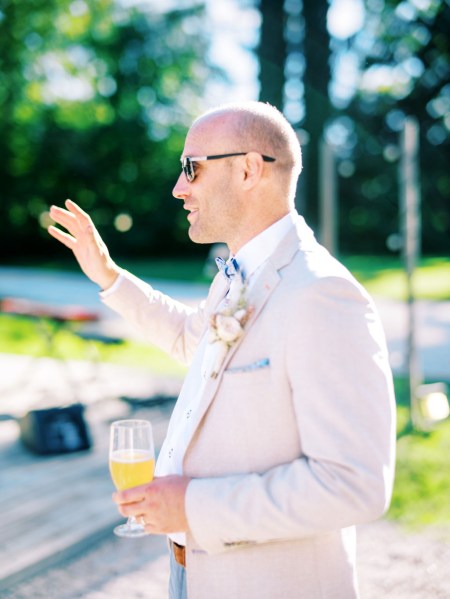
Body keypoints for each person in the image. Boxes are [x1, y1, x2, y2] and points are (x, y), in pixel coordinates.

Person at [48, 101, 396, 599]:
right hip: (193, 574)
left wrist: (193, 507)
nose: (178, 187)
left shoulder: (321, 295)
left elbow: (354, 485)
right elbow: (192, 340)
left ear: (250, 169)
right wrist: (109, 275)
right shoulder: (238, 277)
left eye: (191, 168)